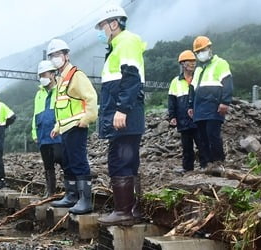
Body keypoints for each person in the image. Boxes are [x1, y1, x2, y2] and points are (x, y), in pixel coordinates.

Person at [94, 4, 145, 226]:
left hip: (124, 115)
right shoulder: (117, 47)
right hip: (121, 114)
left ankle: (124, 211)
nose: (103, 31)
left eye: (104, 26)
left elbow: (131, 77)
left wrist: (122, 109)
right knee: (127, 160)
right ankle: (131, 210)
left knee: (120, 160)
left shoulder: (126, 41)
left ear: (114, 24)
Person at [48, 38, 98, 214]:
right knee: (67, 162)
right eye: (52, 55)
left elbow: (91, 97)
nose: (55, 58)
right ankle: (71, 196)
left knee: (78, 162)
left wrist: (88, 118)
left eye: (58, 54)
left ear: (66, 55)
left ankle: (85, 200)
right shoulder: (61, 79)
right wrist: (57, 126)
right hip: (65, 128)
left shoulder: (76, 75)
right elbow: (62, 107)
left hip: (77, 126)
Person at [188, 36, 233, 168]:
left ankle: (218, 162)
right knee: (202, 138)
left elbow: (227, 83)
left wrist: (225, 102)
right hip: (199, 108)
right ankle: (207, 164)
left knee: (213, 135)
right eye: (198, 52)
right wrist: (191, 105)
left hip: (213, 107)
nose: (201, 53)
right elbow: (193, 88)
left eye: (203, 50)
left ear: (210, 48)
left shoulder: (221, 63)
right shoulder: (199, 69)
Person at [168, 50, 207, 173]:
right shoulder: (175, 81)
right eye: (189, 61)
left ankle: (205, 166)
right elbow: (172, 100)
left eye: (194, 61)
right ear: (182, 64)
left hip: (198, 117)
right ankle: (188, 168)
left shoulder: (200, 78)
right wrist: (172, 116)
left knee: (202, 143)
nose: (192, 64)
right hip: (183, 119)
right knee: (186, 146)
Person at [32, 60, 63, 197]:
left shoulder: (61, 89)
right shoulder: (39, 94)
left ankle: (71, 191)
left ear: (52, 74)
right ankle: (50, 191)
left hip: (57, 133)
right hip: (43, 134)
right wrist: (34, 133)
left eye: (44, 74)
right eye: (40, 75)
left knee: (62, 159)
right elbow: (35, 115)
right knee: (48, 165)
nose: (42, 78)